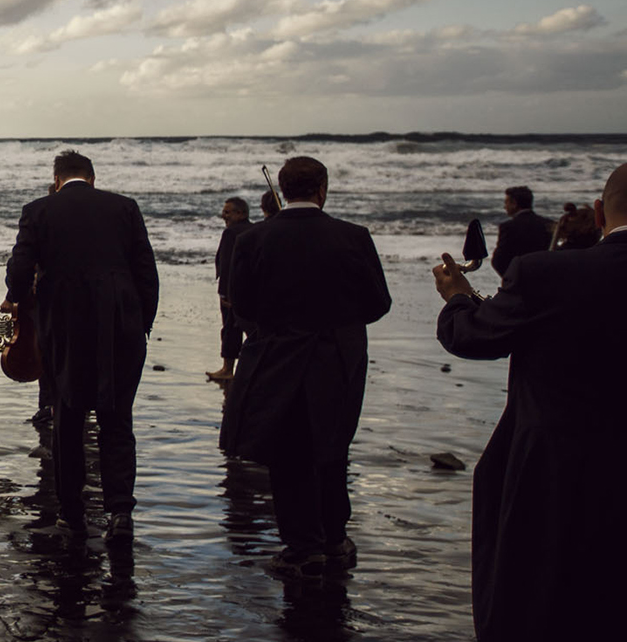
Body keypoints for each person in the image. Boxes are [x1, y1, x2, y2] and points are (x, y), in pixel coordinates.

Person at [433, 164, 627, 641]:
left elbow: (473, 337)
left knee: (545, 607)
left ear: (600, 213)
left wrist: (458, 297)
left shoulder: (546, 274)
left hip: (559, 475)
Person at [221, 156, 391, 578]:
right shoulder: (353, 236)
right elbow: (378, 303)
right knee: (333, 449)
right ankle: (334, 537)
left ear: (283, 188)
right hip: (337, 358)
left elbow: (241, 304)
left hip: (279, 356)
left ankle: (301, 546)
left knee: (287, 452)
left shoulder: (254, 240)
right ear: (322, 189)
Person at [2, 150, 158, 541]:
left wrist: (18, 299)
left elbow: (20, 270)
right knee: (118, 419)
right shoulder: (125, 207)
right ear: (92, 177)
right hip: (121, 325)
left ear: (56, 180)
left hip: (65, 326)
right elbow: (146, 271)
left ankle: (72, 514)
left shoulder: (38, 210)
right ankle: (120, 513)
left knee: (67, 419)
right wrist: (143, 324)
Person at [209, 197, 252, 382]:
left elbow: (227, 264)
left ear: (240, 213)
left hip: (232, 290)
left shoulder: (231, 233)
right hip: (250, 289)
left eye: (227, 212)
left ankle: (228, 369)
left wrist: (226, 292)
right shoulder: (254, 229)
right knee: (251, 331)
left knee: (230, 329)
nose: (223, 215)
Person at [491, 186, 551, 282]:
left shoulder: (508, 227)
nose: (504, 207)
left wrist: (510, 279)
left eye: (506, 202)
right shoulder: (547, 224)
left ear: (514, 204)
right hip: (543, 277)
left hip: (517, 277)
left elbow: (499, 260)